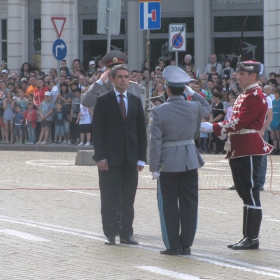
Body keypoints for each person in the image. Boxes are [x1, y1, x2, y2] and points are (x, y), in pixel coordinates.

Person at [200, 60, 274, 250]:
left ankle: (252, 238)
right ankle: (247, 236)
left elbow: (241, 122)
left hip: (249, 147)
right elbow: (235, 120)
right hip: (239, 147)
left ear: (253, 76)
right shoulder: (246, 94)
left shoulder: (255, 95)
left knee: (250, 191)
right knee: (244, 192)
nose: (237, 76)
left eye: (241, 73)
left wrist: (214, 127)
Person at [149, 65, 211, 255]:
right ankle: (186, 245)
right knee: (189, 203)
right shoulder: (194, 106)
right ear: (183, 88)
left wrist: (154, 167)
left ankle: (172, 245)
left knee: (168, 205)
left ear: (167, 89)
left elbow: (155, 142)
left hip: (167, 163)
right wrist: (193, 92)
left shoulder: (159, 111)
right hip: (190, 160)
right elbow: (207, 107)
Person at [92, 64, 147, 246]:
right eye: (121, 77)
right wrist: (100, 157)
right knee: (109, 197)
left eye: (126, 77)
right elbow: (97, 131)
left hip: (130, 158)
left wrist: (141, 157)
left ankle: (127, 233)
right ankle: (110, 233)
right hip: (109, 159)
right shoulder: (103, 100)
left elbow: (141, 130)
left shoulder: (135, 100)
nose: (124, 80)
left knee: (128, 199)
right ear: (113, 79)